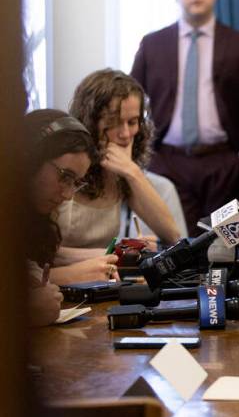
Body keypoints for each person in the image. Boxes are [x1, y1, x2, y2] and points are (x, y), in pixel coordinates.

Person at [132, 0, 239, 232]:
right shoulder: (153, 44)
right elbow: (130, 102)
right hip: (168, 164)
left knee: (229, 242)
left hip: (224, 166)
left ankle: (228, 276)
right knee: (179, 244)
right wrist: (143, 158)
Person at [56, 70, 181, 269]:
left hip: (101, 282)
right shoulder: (66, 168)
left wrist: (132, 172)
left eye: (132, 122)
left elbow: (172, 235)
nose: (125, 134)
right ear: (90, 122)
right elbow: (46, 254)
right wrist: (112, 253)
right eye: (113, 123)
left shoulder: (123, 175)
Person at [23, 110, 109, 299]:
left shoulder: (32, 216)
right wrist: (69, 275)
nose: (69, 195)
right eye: (65, 176)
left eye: (76, 183)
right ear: (30, 159)